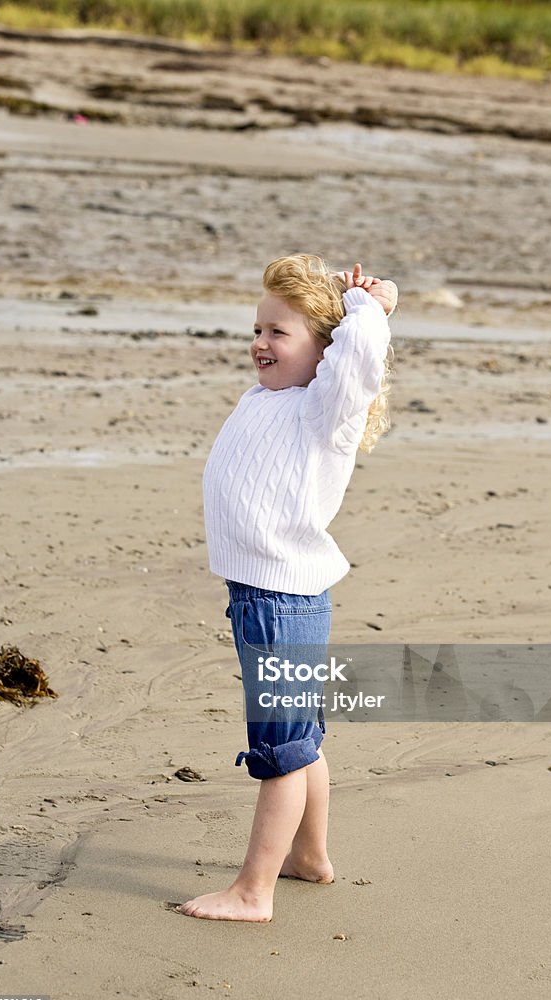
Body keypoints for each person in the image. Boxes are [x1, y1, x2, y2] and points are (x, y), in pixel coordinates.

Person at [177, 254, 398, 922]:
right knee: (300, 739)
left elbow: (358, 357)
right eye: (257, 328)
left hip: (279, 600)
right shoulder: (267, 398)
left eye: (279, 332)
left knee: (279, 750)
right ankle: (310, 858)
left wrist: (369, 307)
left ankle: (253, 891)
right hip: (264, 595)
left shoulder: (323, 410)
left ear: (325, 351)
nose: (259, 343)